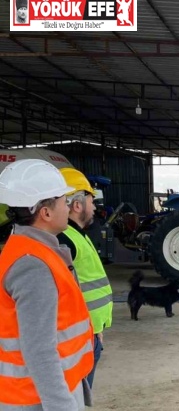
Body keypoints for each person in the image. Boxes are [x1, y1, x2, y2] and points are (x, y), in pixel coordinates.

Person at [0, 159, 94, 410]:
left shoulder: (32, 250)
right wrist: (61, 405)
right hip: (36, 399)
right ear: (46, 212)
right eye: (64, 201)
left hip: (44, 390)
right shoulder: (33, 265)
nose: (68, 207)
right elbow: (39, 349)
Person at [57, 168, 113, 389]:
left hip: (87, 330)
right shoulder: (63, 240)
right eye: (92, 201)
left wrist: (96, 329)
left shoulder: (74, 235)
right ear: (77, 205)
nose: (94, 208)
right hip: (76, 336)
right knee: (75, 394)